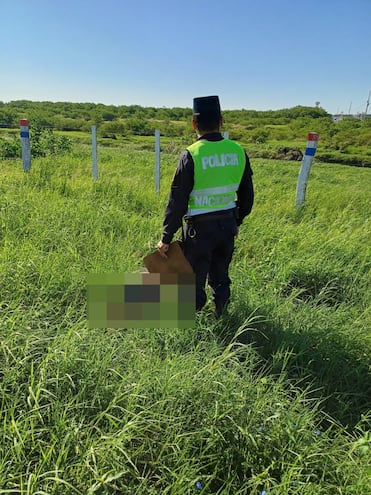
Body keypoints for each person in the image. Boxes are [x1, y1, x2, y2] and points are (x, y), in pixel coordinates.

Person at [157, 95, 254, 316]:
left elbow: (177, 201)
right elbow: (247, 195)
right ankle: (222, 313)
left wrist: (166, 237)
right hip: (227, 224)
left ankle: (193, 320)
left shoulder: (191, 154)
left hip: (198, 231)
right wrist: (237, 220)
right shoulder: (238, 151)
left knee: (193, 278)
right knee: (221, 275)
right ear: (221, 121)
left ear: (193, 123)